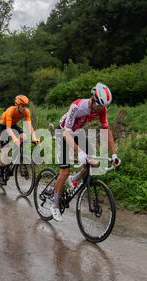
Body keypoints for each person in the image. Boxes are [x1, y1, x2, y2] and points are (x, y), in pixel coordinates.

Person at [51, 82, 121, 222]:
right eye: (99, 105)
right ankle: (55, 204)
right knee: (64, 172)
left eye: (104, 107)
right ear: (93, 98)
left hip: (77, 132)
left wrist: (114, 154)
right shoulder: (77, 106)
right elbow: (66, 133)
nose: (101, 109)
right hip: (63, 132)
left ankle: (74, 179)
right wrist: (80, 153)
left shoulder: (102, 109)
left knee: (93, 162)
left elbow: (107, 131)